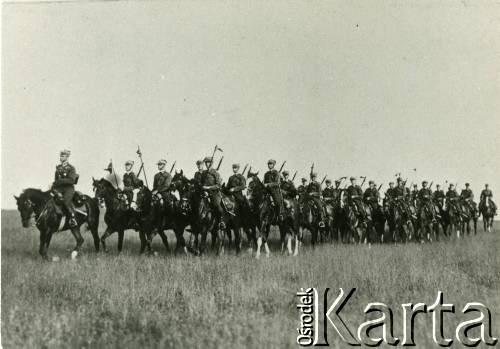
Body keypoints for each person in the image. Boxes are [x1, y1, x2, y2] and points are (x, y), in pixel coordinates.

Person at [52, 149, 79, 227]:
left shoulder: (71, 168)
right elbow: (56, 180)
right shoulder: (58, 168)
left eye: (63, 156)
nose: (61, 157)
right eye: (60, 156)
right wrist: (54, 185)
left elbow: (71, 180)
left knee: (66, 202)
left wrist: (60, 181)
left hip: (68, 189)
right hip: (59, 189)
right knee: (50, 198)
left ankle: (72, 218)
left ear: (67, 157)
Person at [201, 156, 224, 223]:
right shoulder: (203, 173)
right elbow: (202, 183)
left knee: (218, 207)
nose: (207, 164)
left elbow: (218, 185)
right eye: (206, 163)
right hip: (204, 192)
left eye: (208, 163)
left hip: (214, 193)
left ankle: (221, 222)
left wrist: (208, 188)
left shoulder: (215, 173)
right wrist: (204, 189)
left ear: (211, 163)